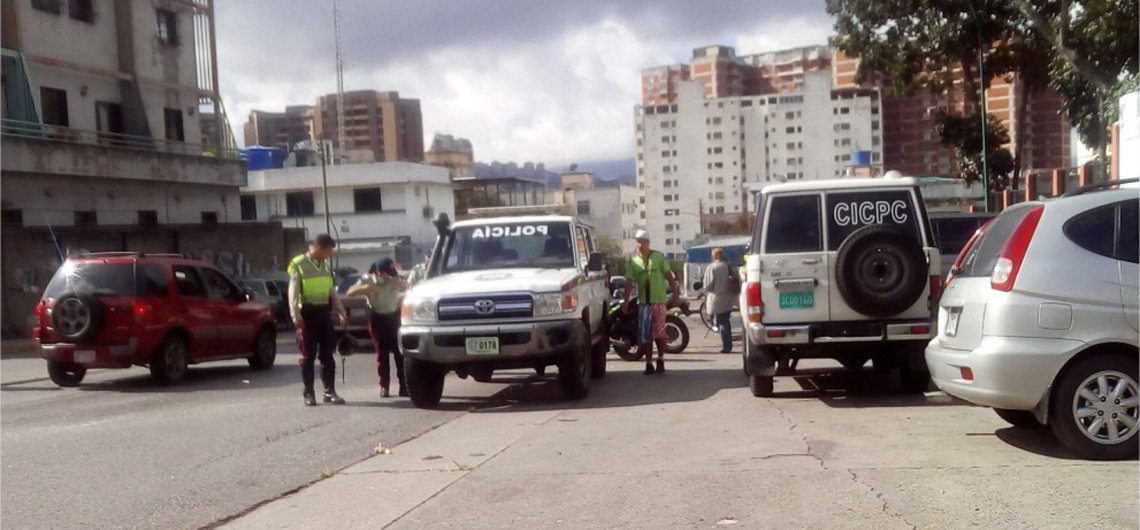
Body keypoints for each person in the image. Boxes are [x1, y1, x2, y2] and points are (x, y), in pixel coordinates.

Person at [288, 234, 348, 406]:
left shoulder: (325, 265)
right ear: (320, 248)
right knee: (308, 355)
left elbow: (331, 292)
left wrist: (341, 311)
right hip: (307, 314)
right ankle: (309, 393)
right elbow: (293, 292)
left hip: (323, 313)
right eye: (329, 251)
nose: (330, 254)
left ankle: (329, 392)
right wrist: (295, 315)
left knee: (327, 354)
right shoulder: (298, 265)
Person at [347, 257, 408, 398]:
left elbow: (408, 286)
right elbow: (350, 292)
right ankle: (384, 386)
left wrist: (404, 286)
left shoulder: (394, 279)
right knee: (382, 354)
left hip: (394, 318)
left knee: (400, 354)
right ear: (379, 272)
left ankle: (404, 386)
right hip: (377, 319)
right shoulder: (367, 280)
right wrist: (364, 288)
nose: (390, 275)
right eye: (387, 272)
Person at [623, 229, 680, 375]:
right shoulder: (634, 261)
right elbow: (629, 282)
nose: (639, 245)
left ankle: (660, 359)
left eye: (642, 242)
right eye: (637, 242)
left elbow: (669, 276)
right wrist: (626, 301)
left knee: (659, 334)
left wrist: (675, 294)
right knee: (645, 335)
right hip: (644, 303)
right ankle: (648, 363)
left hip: (659, 302)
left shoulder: (658, 258)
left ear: (647, 243)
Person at [702, 247, 739, 353]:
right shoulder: (728, 266)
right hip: (728, 297)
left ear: (714, 255)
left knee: (721, 322)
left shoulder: (712, 267)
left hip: (716, 298)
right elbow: (736, 277)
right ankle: (728, 344)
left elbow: (708, 285)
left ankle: (726, 346)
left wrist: (704, 290)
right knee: (725, 320)